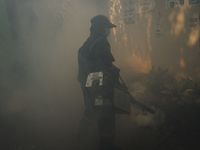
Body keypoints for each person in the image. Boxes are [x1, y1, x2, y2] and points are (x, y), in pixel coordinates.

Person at [77, 15, 121, 150]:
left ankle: (81, 135)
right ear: (100, 28)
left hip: (86, 83)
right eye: (107, 27)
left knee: (91, 107)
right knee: (105, 114)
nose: (109, 30)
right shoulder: (102, 41)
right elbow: (106, 66)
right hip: (98, 85)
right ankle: (106, 146)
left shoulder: (88, 42)